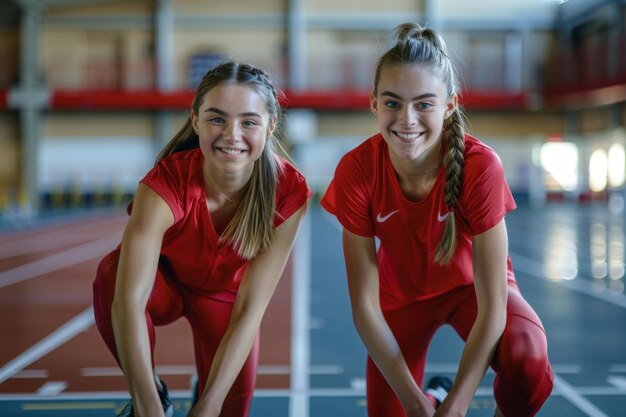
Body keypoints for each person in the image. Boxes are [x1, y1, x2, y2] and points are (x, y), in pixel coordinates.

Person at [320, 23, 553, 417]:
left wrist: (459, 406)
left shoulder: (481, 167)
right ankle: (431, 397)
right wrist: (416, 405)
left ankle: (449, 398)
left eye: (424, 104)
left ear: (449, 106)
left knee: (526, 353)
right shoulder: (356, 170)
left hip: (471, 293)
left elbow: (494, 304)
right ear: (374, 103)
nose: (407, 119)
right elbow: (364, 307)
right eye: (392, 103)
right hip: (399, 302)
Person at [93, 61, 311, 417]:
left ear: (271, 125)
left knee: (226, 408)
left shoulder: (290, 191)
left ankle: (205, 387)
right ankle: (155, 390)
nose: (232, 134)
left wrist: (209, 405)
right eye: (217, 118)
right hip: (166, 288)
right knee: (110, 273)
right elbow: (129, 302)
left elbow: (249, 308)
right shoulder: (165, 184)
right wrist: (149, 406)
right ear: (195, 120)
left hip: (228, 303)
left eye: (249, 122)